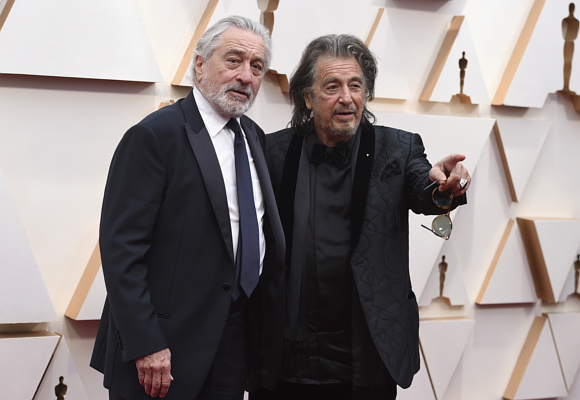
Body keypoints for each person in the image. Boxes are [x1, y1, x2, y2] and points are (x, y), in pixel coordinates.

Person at [252, 34, 470, 400]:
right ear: (308, 97)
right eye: (332, 86)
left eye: (356, 86)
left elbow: (424, 187)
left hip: (365, 354)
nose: (347, 97)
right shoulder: (271, 151)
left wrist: (445, 186)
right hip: (286, 359)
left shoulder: (398, 148)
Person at [90, 16, 285, 400]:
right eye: (234, 60)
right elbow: (121, 250)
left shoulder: (254, 138)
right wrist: (146, 343)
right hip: (163, 349)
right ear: (200, 64)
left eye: (257, 66)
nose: (246, 76)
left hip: (233, 343)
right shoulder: (154, 135)